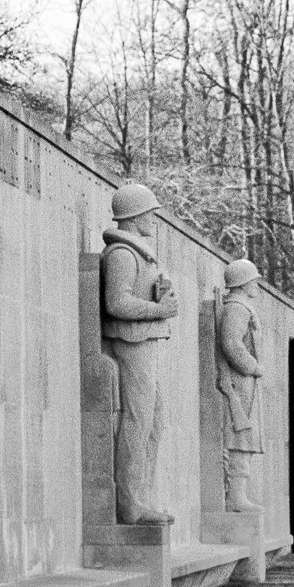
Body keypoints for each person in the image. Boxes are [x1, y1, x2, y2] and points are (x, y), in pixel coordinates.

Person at [99, 183, 179, 524]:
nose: (154, 220)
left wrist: (163, 298)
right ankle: (130, 504)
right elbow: (116, 303)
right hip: (131, 343)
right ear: (133, 216)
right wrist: (159, 310)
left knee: (153, 420)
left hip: (144, 341)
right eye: (150, 213)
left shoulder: (138, 253)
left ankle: (142, 498)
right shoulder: (122, 254)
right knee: (137, 419)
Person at [216, 257, 264, 510]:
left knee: (244, 437)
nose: (256, 284)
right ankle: (235, 495)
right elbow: (231, 344)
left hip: (245, 382)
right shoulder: (237, 308)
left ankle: (238, 494)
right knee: (240, 437)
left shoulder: (240, 307)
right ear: (244, 283)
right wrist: (252, 366)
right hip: (240, 382)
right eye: (253, 280)